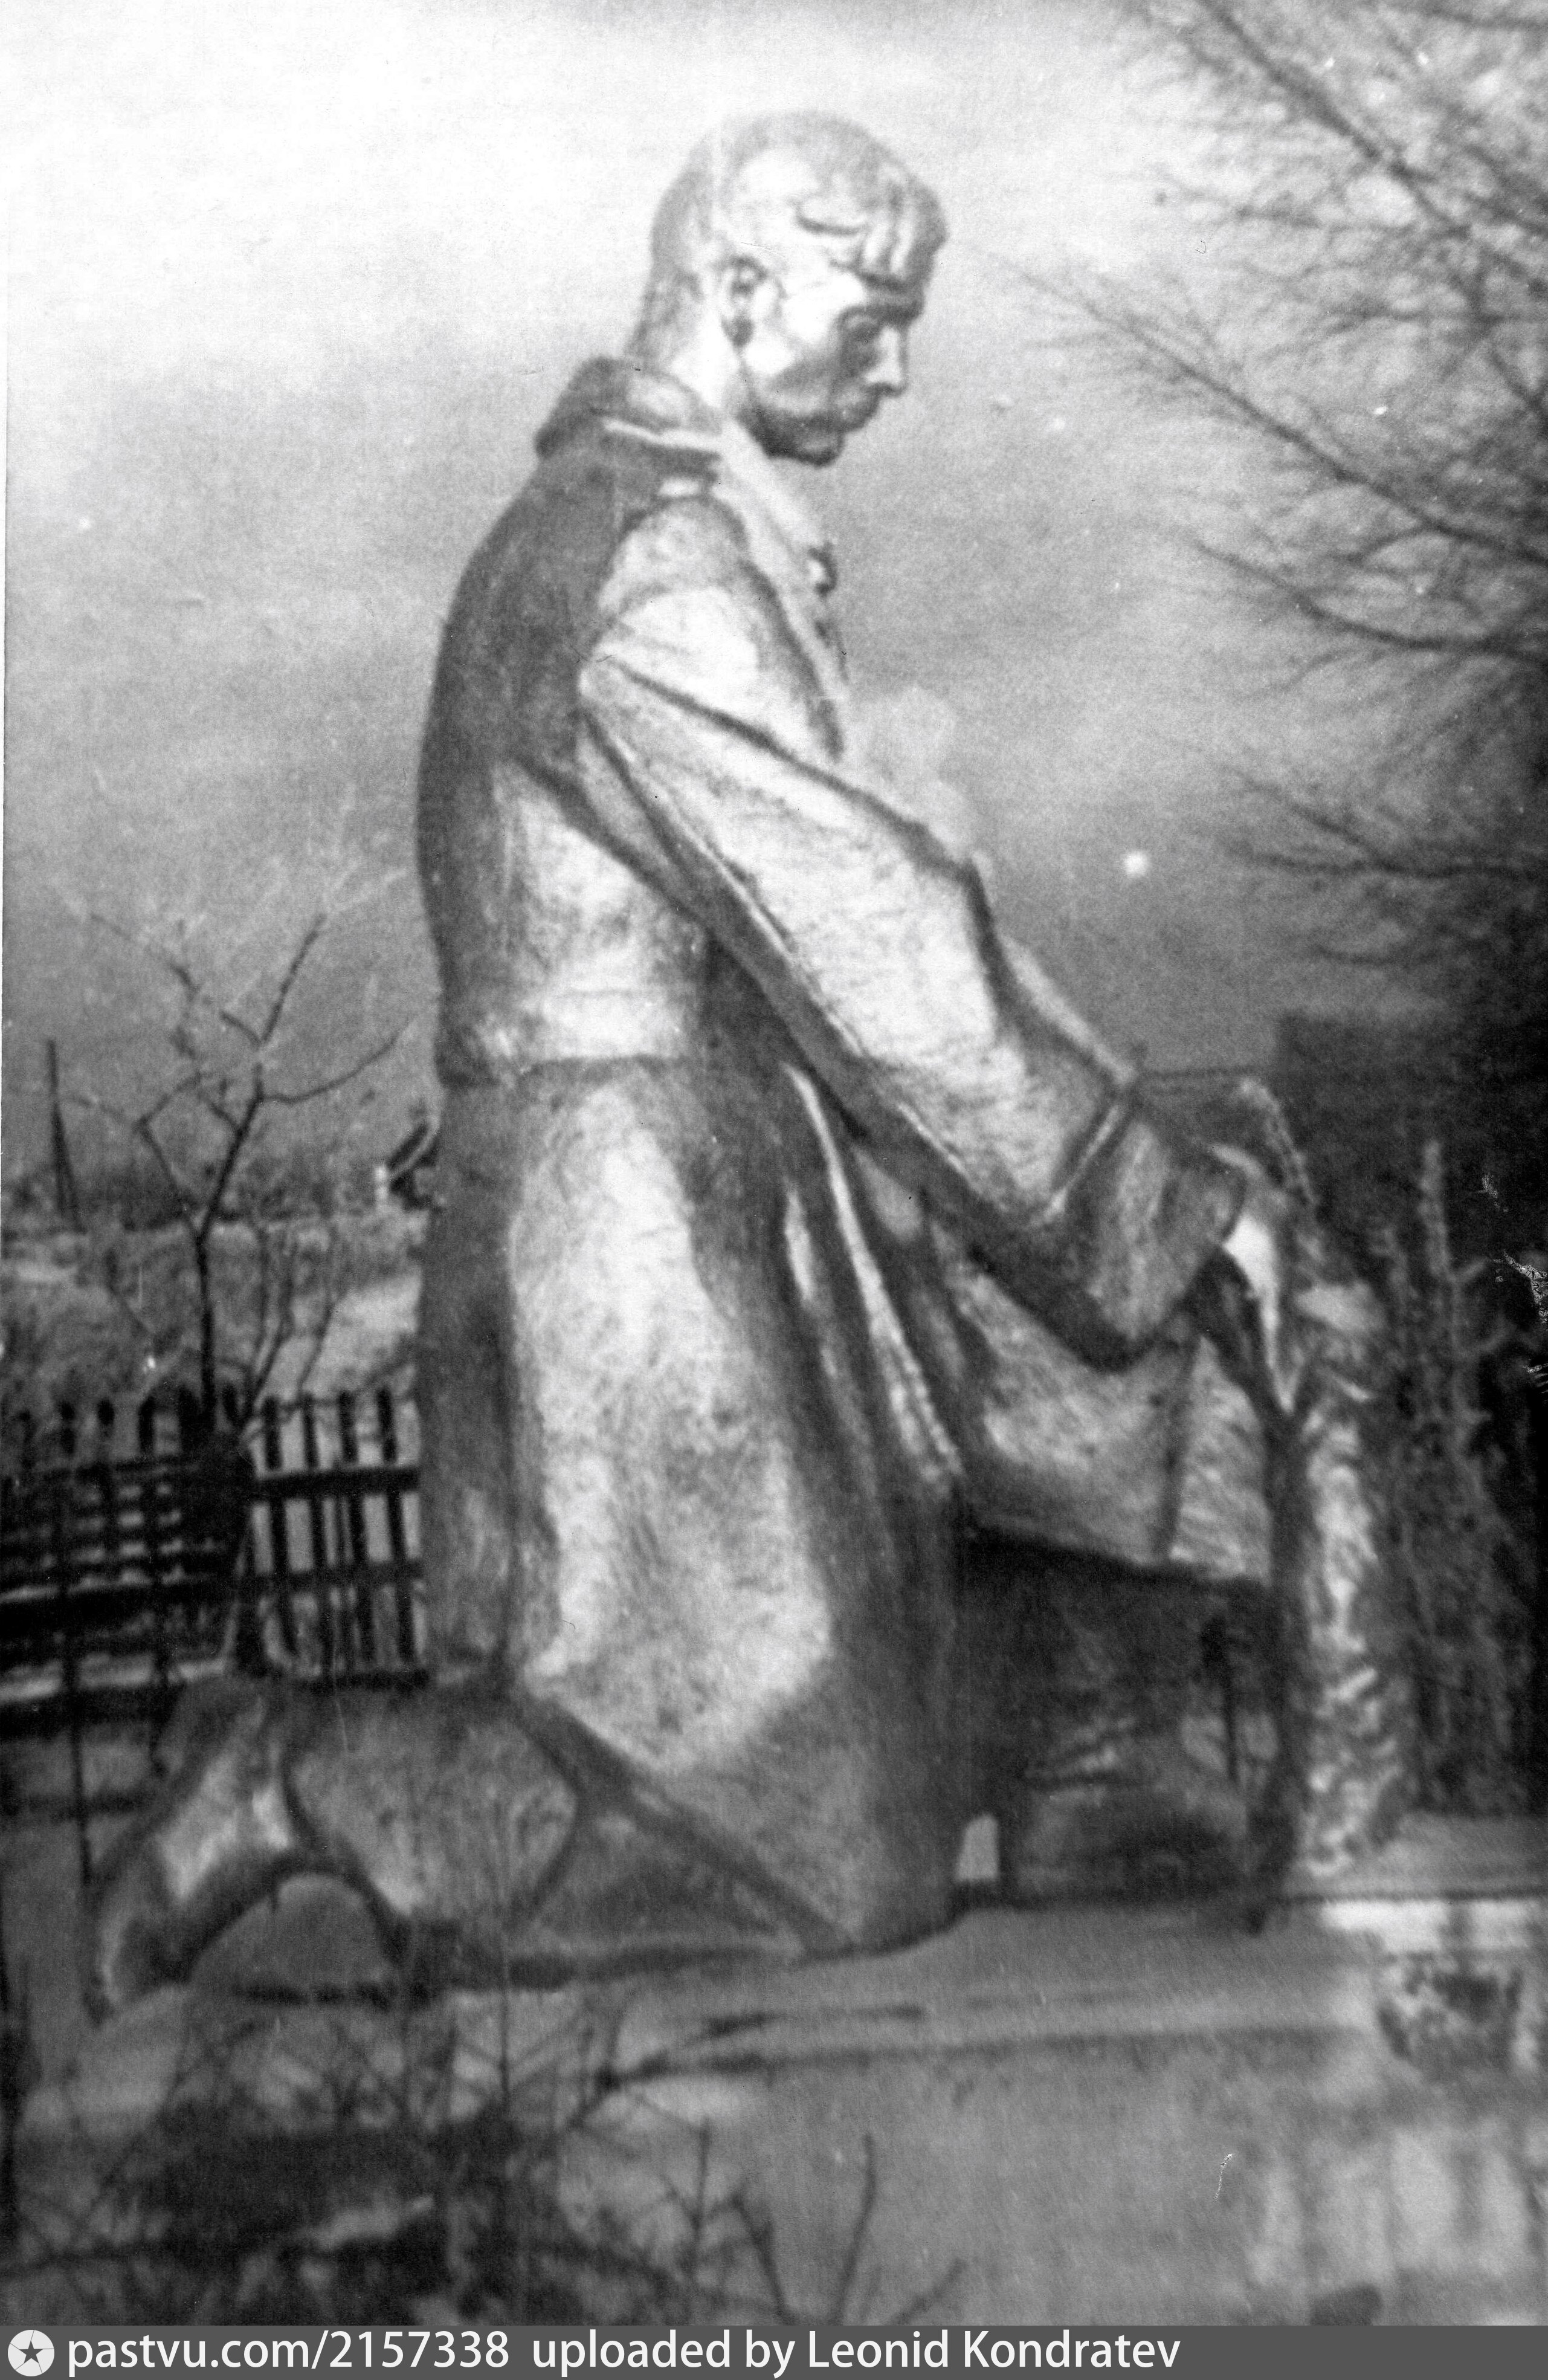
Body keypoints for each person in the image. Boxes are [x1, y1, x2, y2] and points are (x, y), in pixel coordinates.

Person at [88, 115, 1409, 2010]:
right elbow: (871, 931)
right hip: (631, 1227)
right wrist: (1162, 1200)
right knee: (779, 1843)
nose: (897, 368)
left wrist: (1146, 1195)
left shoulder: (654, 529)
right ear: (732, 286)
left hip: (708, 1170)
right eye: (869, 319)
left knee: (1081, 1327)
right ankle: (293, 1770)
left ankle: (1075, 1757)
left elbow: (881, 930)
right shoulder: (647, 568)